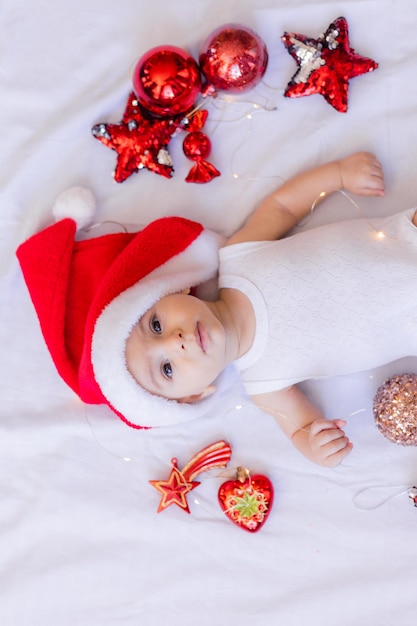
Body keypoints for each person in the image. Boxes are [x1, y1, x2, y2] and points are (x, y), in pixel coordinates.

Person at [17, 151, 415, 466]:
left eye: (155, 325)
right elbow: (301, 427)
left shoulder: (238, 257)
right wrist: (315, 445)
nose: (176, 341)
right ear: (193, 396)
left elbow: (282, 206)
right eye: (167, 369)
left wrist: (338, 175)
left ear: (163, 293)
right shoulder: (265, 386)